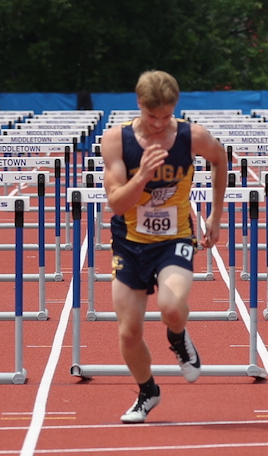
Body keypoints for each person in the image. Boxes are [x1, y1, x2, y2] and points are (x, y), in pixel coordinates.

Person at [101, 70, 226, 424]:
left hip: (175, 238)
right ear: (138, 104)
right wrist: (142, 175)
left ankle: (178, 337)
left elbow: (220, 159)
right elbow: (117, 204)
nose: (158, 124)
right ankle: (148, 392)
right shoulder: (116, 140)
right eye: (151, 116)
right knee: (129, 332)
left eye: (166, 116)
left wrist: (215, 216)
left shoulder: (191, 135)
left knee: (171, 307)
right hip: (130, 243)